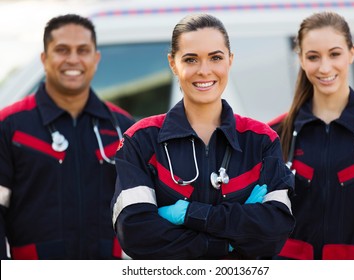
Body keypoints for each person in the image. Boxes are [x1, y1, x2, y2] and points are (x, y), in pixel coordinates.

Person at [111, 13, 295, 260]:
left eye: (216, 58)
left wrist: (189, 214)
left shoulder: (261, 140)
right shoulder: (141, 140)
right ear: (173, 63)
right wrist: (228, 241)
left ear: (230, 60)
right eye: (191, 59)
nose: (204, 70)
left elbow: (274, 230)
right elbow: (136, 233)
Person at [0, 14, 135, 259]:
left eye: (82, 50)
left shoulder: (124, 128)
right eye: (62, 50)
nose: (73, 59)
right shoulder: (10, 126)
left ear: (96, 59)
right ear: (44, 58)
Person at [268, 11, 354, 260]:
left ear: (351, 53)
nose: (325, 67)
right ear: (301, 59)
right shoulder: (273, 135)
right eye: (313, 57)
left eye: (335, 54)